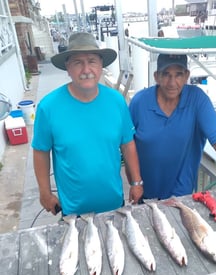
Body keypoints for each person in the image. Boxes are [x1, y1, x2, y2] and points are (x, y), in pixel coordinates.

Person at [128, 53, 216, 211]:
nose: (172, 82)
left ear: (186, 76)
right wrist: (134, 182)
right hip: (144, 193)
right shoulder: (139, 102)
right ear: (156, 77)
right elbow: (128, 144)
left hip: (181, 197)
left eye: (178, 74)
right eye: (166, 74)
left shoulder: (198, 99)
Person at [32, 32, 143, 216]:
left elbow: (127, 143)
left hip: (114, 204)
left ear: (101, 65)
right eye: (77, 62)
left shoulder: (116, 101)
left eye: (92, 61)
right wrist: (44, 192)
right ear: (67, 68)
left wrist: (136, 182)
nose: (86, 69)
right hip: (73, 211)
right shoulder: (48, 107)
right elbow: (41, 151)